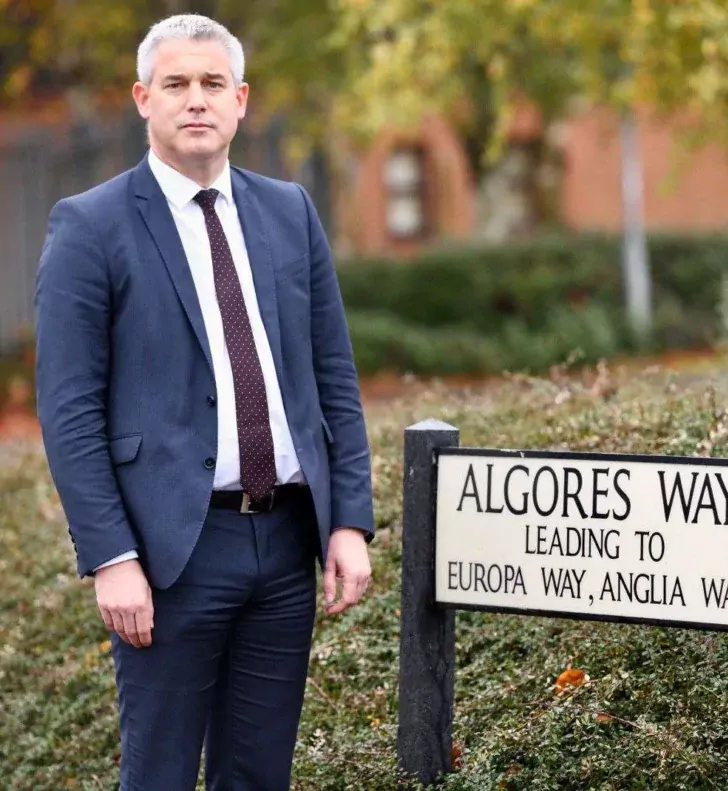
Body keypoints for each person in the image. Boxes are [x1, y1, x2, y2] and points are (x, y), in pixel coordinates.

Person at [33, 13, 374, 790]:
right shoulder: (90, 226)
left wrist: (349, 519)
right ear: (142, 98)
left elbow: (333, 377)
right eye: (177, 84)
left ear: (242, 100)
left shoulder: (290, 210)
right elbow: (70, 410)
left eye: (213, 84)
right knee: (156, 775)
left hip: (285, 542)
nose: (197, 100)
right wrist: (111, 558)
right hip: (167, 554)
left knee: (257, 775)